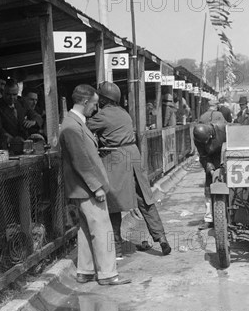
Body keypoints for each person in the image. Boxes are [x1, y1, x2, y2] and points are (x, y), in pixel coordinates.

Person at [87, 81, 172, 258]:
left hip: (117, 156)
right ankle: (161, 238)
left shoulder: (102, 115)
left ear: (103, 99)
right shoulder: (124, 113)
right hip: (133, 153)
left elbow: (84, 129)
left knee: (114, 202)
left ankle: (116, 248)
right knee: (145, 197)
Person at [60, 84, 130, 286]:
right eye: (94, 104)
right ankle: (108, 274)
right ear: (84, 102)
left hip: (81, 187)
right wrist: (96, 187)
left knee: (85, 230)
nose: (96, 109)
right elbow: (81, 161)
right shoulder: (72, 126)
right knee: (102, 229)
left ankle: (86, 270)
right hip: (86, 187)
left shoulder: (74, 123)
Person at [193, 122, 226, 230]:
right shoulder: (198, 139)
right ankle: (209, 219)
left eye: (207, 141)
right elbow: (203, 156)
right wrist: (210, 169)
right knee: (208, 190)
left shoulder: (223, 129)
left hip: (227, 159)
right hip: (211, 162)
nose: (206, 143)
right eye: (204, 142)